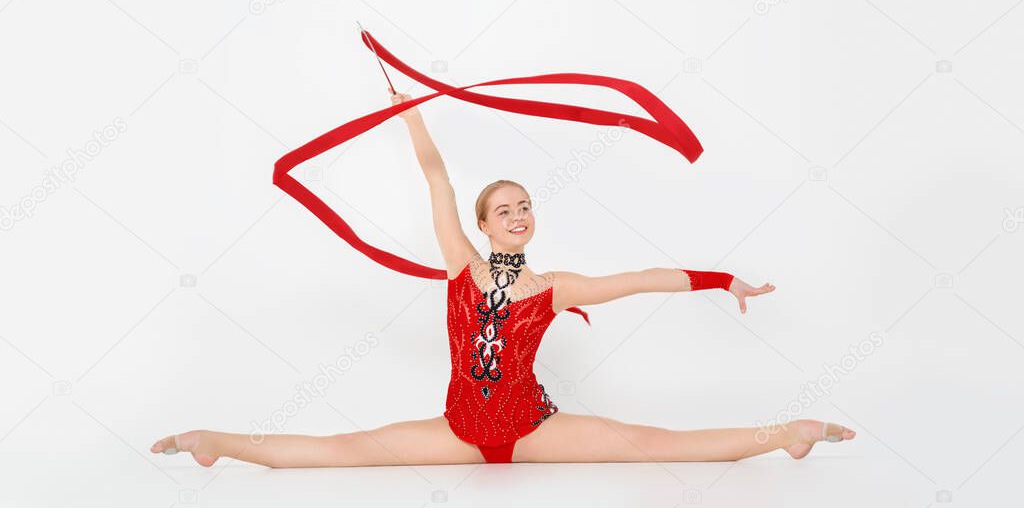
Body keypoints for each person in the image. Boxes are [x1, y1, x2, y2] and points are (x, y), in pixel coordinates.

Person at [150, 93, 855, 468]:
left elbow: (642, 278)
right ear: (485, 226)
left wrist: (722, 278)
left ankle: (787, 433)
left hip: (533, 431)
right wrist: (410, 111)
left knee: (659, 442)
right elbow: (436, 176)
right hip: (459, 432)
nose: (518, 215)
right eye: (504, 209)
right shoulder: (462, 264)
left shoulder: (555, 286)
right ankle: (217, 440)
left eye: (525, 206)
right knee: (343, 453)